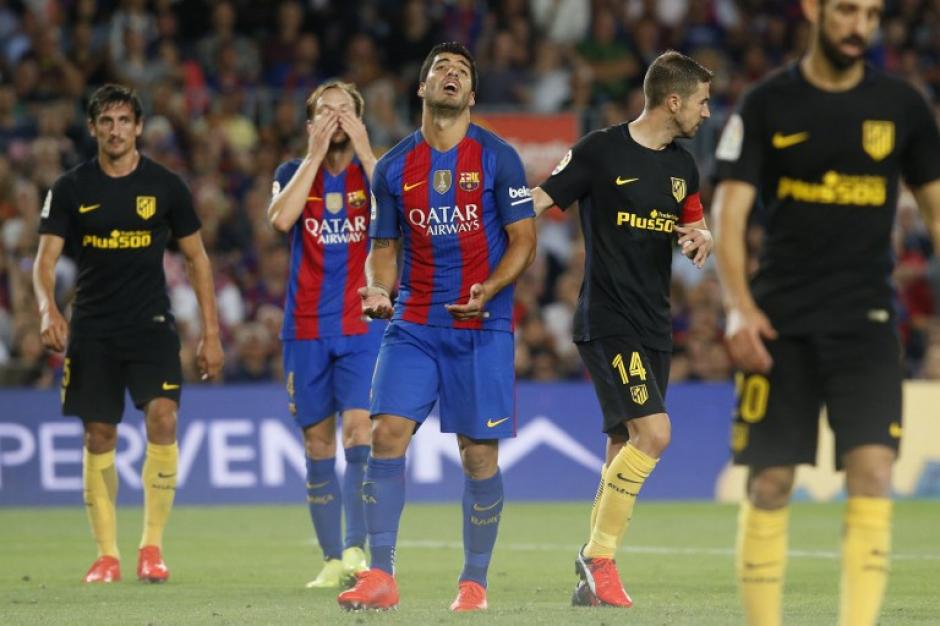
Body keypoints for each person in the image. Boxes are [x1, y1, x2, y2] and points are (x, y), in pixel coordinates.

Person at [712, 0, 940, 624]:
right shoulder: (766, 105)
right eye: (845, 10)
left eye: (870, 14)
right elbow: (728, 212)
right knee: (769, 484)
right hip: (778, 323)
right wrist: (737, 307)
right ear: (814, 11)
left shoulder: (903, 107)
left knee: (872, 476)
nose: (858, 26)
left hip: (866, 323)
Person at [336, 42, 537, 612]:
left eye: (462, 72)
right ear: (421, 89)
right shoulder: (395, 166)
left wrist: (491, 290)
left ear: (472, 95)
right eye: (439, 70)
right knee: (385, 436)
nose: (450, 75)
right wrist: (379, 288)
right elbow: (384, 245)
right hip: (415, 324)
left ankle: (473, 582)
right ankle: (380, 575)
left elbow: (524, 240)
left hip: (483, 327)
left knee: (479, 456)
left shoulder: (499, 157)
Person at [530, 50, 714, 608]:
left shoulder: (683, 167)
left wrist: (700, 237)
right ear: (674, 100)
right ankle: (599, 558)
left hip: (655, 321)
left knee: (623, 445)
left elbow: (695, 221)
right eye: (703, 102)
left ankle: (593, 569)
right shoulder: (600, 151)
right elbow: (537, 200)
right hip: (608, 319)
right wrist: (479, 228)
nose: (707, 113)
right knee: (654, 436)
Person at [33, 83, 223, 584]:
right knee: (100, 433)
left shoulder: (166, 187)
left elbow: (197, 258)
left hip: (151, 325)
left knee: (163, 419)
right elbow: (44, 260)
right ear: (93, 128)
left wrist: (211, 332)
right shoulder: (72, 187)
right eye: (106, 121)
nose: (115, 130)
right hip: (93, 327)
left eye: (124, 121)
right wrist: (47, 307)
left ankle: (151, 548)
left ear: (138, 127)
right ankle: (107, 554)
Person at [267, 79, 380, 588]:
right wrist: (313, 156)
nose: (335, 118)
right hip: (305, 330)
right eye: (325, 111)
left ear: (359, 119)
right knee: (317, 443)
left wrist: (366, 149)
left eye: (345, 111)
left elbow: (401, 210)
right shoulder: (292, 173)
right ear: (311, 123)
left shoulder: (373, 172)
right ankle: (332, 557)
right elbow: (280, 220)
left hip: (360, 327)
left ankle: (357, 550)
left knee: (360, 431)